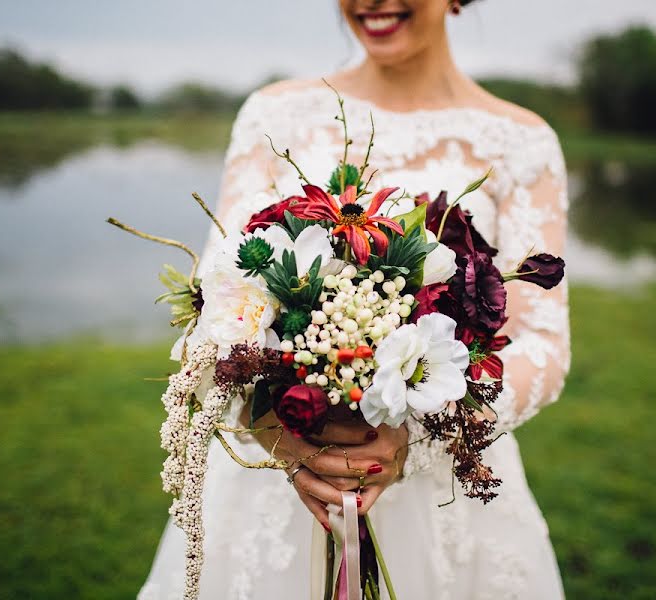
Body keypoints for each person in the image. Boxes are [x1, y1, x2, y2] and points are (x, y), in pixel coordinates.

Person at [140, 1, 571, 598]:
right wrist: (273, 428)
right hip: (275, 485)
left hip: (442, 490)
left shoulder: (522, 142)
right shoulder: (274, 115)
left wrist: (419, 439)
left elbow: (544, 346)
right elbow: (221, 298)